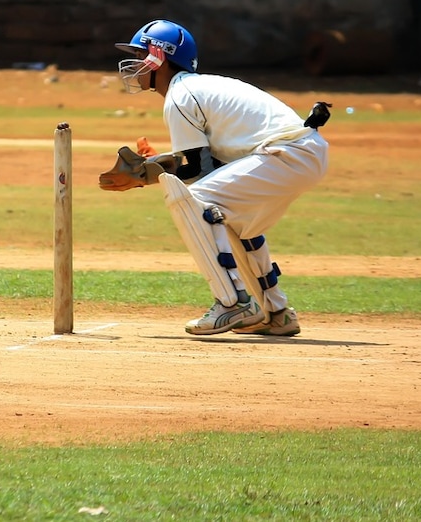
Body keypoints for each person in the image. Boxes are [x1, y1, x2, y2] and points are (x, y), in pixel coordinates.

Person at [99, 19, 330, 336]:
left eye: (141, 55)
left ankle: (232, 303)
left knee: (196, 201)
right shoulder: (197, 88)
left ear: (159, 57)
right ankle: (275, 312)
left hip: (286, 154)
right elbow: (211, 166)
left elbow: (196, 173)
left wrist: (143, 174)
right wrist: (155, 166)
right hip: (300, 153)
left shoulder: (181, 95)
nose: (136, 63)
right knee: (237, 221)